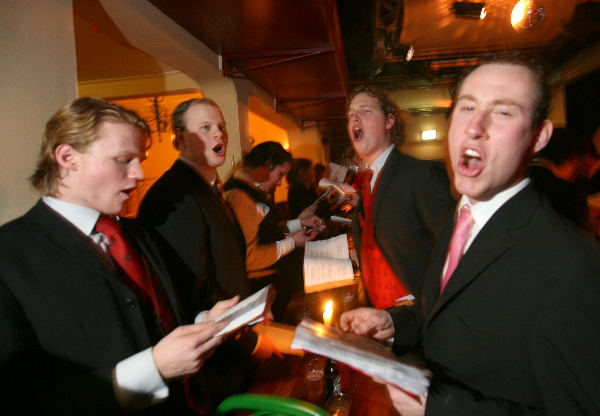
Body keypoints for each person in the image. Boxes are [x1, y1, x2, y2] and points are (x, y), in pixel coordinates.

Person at [341, 56, 600, 415]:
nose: (474, 126)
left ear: (539, 137)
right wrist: (394, 323)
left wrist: (440, 408)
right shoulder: (461, 217)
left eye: (503, 112)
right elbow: (444, 316)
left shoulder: (572, 265)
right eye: (466, 107)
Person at [0, 97, 240, 414]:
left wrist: (204, 323)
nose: (139, 174)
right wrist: (152, 369)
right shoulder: (10, 256)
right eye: (123, 160)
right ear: (67, 157)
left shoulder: (138, 234)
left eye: (139, 159)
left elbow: (160, 319)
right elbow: (20, 397)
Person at [138, 97, 273, 411]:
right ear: (181, 139)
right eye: (206, 128)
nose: (219, 135)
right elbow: (189, 295)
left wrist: (255, 311)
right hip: (215, 364)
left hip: (233, 346)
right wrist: (250, 343)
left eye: (221, 128)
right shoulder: (175, 195)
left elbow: (225, 265)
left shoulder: (208, 187)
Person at [347, 84, 454, 309]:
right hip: (380, 314)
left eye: (365, 111)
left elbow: (454, 251)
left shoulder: (420, 175)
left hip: (419, 318)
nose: (355, 117)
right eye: (351, 114)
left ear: (389, 122)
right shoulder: (368, 181)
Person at [224, 141, 324, 320]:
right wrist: (292, 243)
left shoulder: (253, 191)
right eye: (279, 175)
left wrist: (301, 222)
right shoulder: (240, 197)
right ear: (265, 165)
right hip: (264, 290)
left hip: (277, 284)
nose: (279, 183)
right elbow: (250, 257)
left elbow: (271, 230)